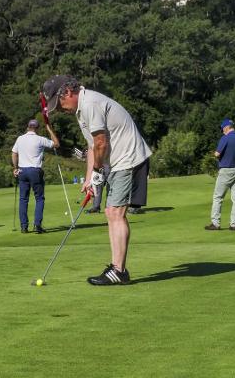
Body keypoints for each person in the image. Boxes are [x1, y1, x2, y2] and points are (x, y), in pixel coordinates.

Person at [42, 74, 151, 285]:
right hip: (119, 160)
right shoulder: (81, 109)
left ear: (68, 92)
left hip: (128, 158)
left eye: (60, 102)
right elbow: (92, 146)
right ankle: (117, 268)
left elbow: (102, 143)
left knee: (115, 212)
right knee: (112, 212)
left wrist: (99, 170)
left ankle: (119, 271)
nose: (61, 109)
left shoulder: (90, 104)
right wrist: (90, 178)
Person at [11, 119, 59, 234]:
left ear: (28, 127)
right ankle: (37, 225)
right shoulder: (40, 139)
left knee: (23, 199)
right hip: (35, 171)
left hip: (22, 171)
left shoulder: (20, 138)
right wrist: (50, 130)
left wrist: (15, 168)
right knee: (39, 198)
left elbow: (14, 153)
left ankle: (24, 226)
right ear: (37, 128)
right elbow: (56, 144)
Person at [205, 118, 235, 231]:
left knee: (218, 197)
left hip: (226, 170)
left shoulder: (225, 138)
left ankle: (216, 223)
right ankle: (233, 224)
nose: (222, 131)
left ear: (226, 127)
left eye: (223, 129)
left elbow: (217, 154)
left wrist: (215, 154)